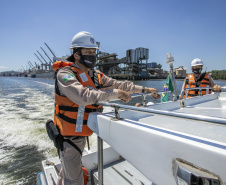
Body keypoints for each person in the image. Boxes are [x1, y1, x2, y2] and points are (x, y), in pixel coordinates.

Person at [53, 31, 160, 185]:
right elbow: (82, 96)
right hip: (68, 137)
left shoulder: (96, 75)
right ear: (76, 54)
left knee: (69, 170)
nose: (92, 55)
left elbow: (121, 85)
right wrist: (116, 94)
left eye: (93, 52)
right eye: (87, 52)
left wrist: (146, 90)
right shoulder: (65, 73)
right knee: (73, 180)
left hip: (82, 132)